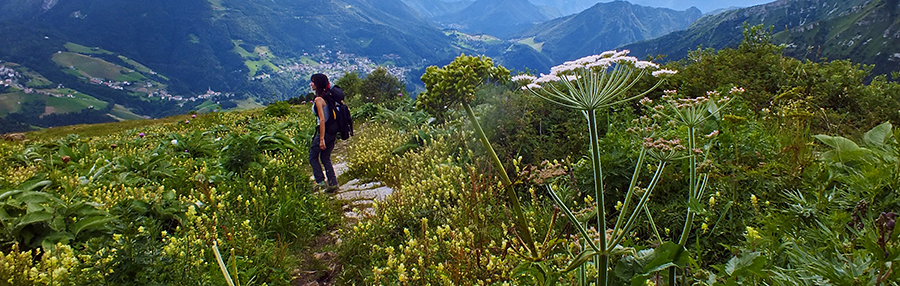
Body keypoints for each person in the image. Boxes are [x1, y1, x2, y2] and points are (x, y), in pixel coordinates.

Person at [309, 73, 339, 192]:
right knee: (325, 157)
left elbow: (322, 120)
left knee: (312, 156)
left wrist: (321, 139)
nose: (311, 84)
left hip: (325, 132)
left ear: (318, 84)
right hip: (333, 132)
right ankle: (333, 183)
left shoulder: (318, 99)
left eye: (313, 82)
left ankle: (320, 181)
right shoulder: (329, 96)